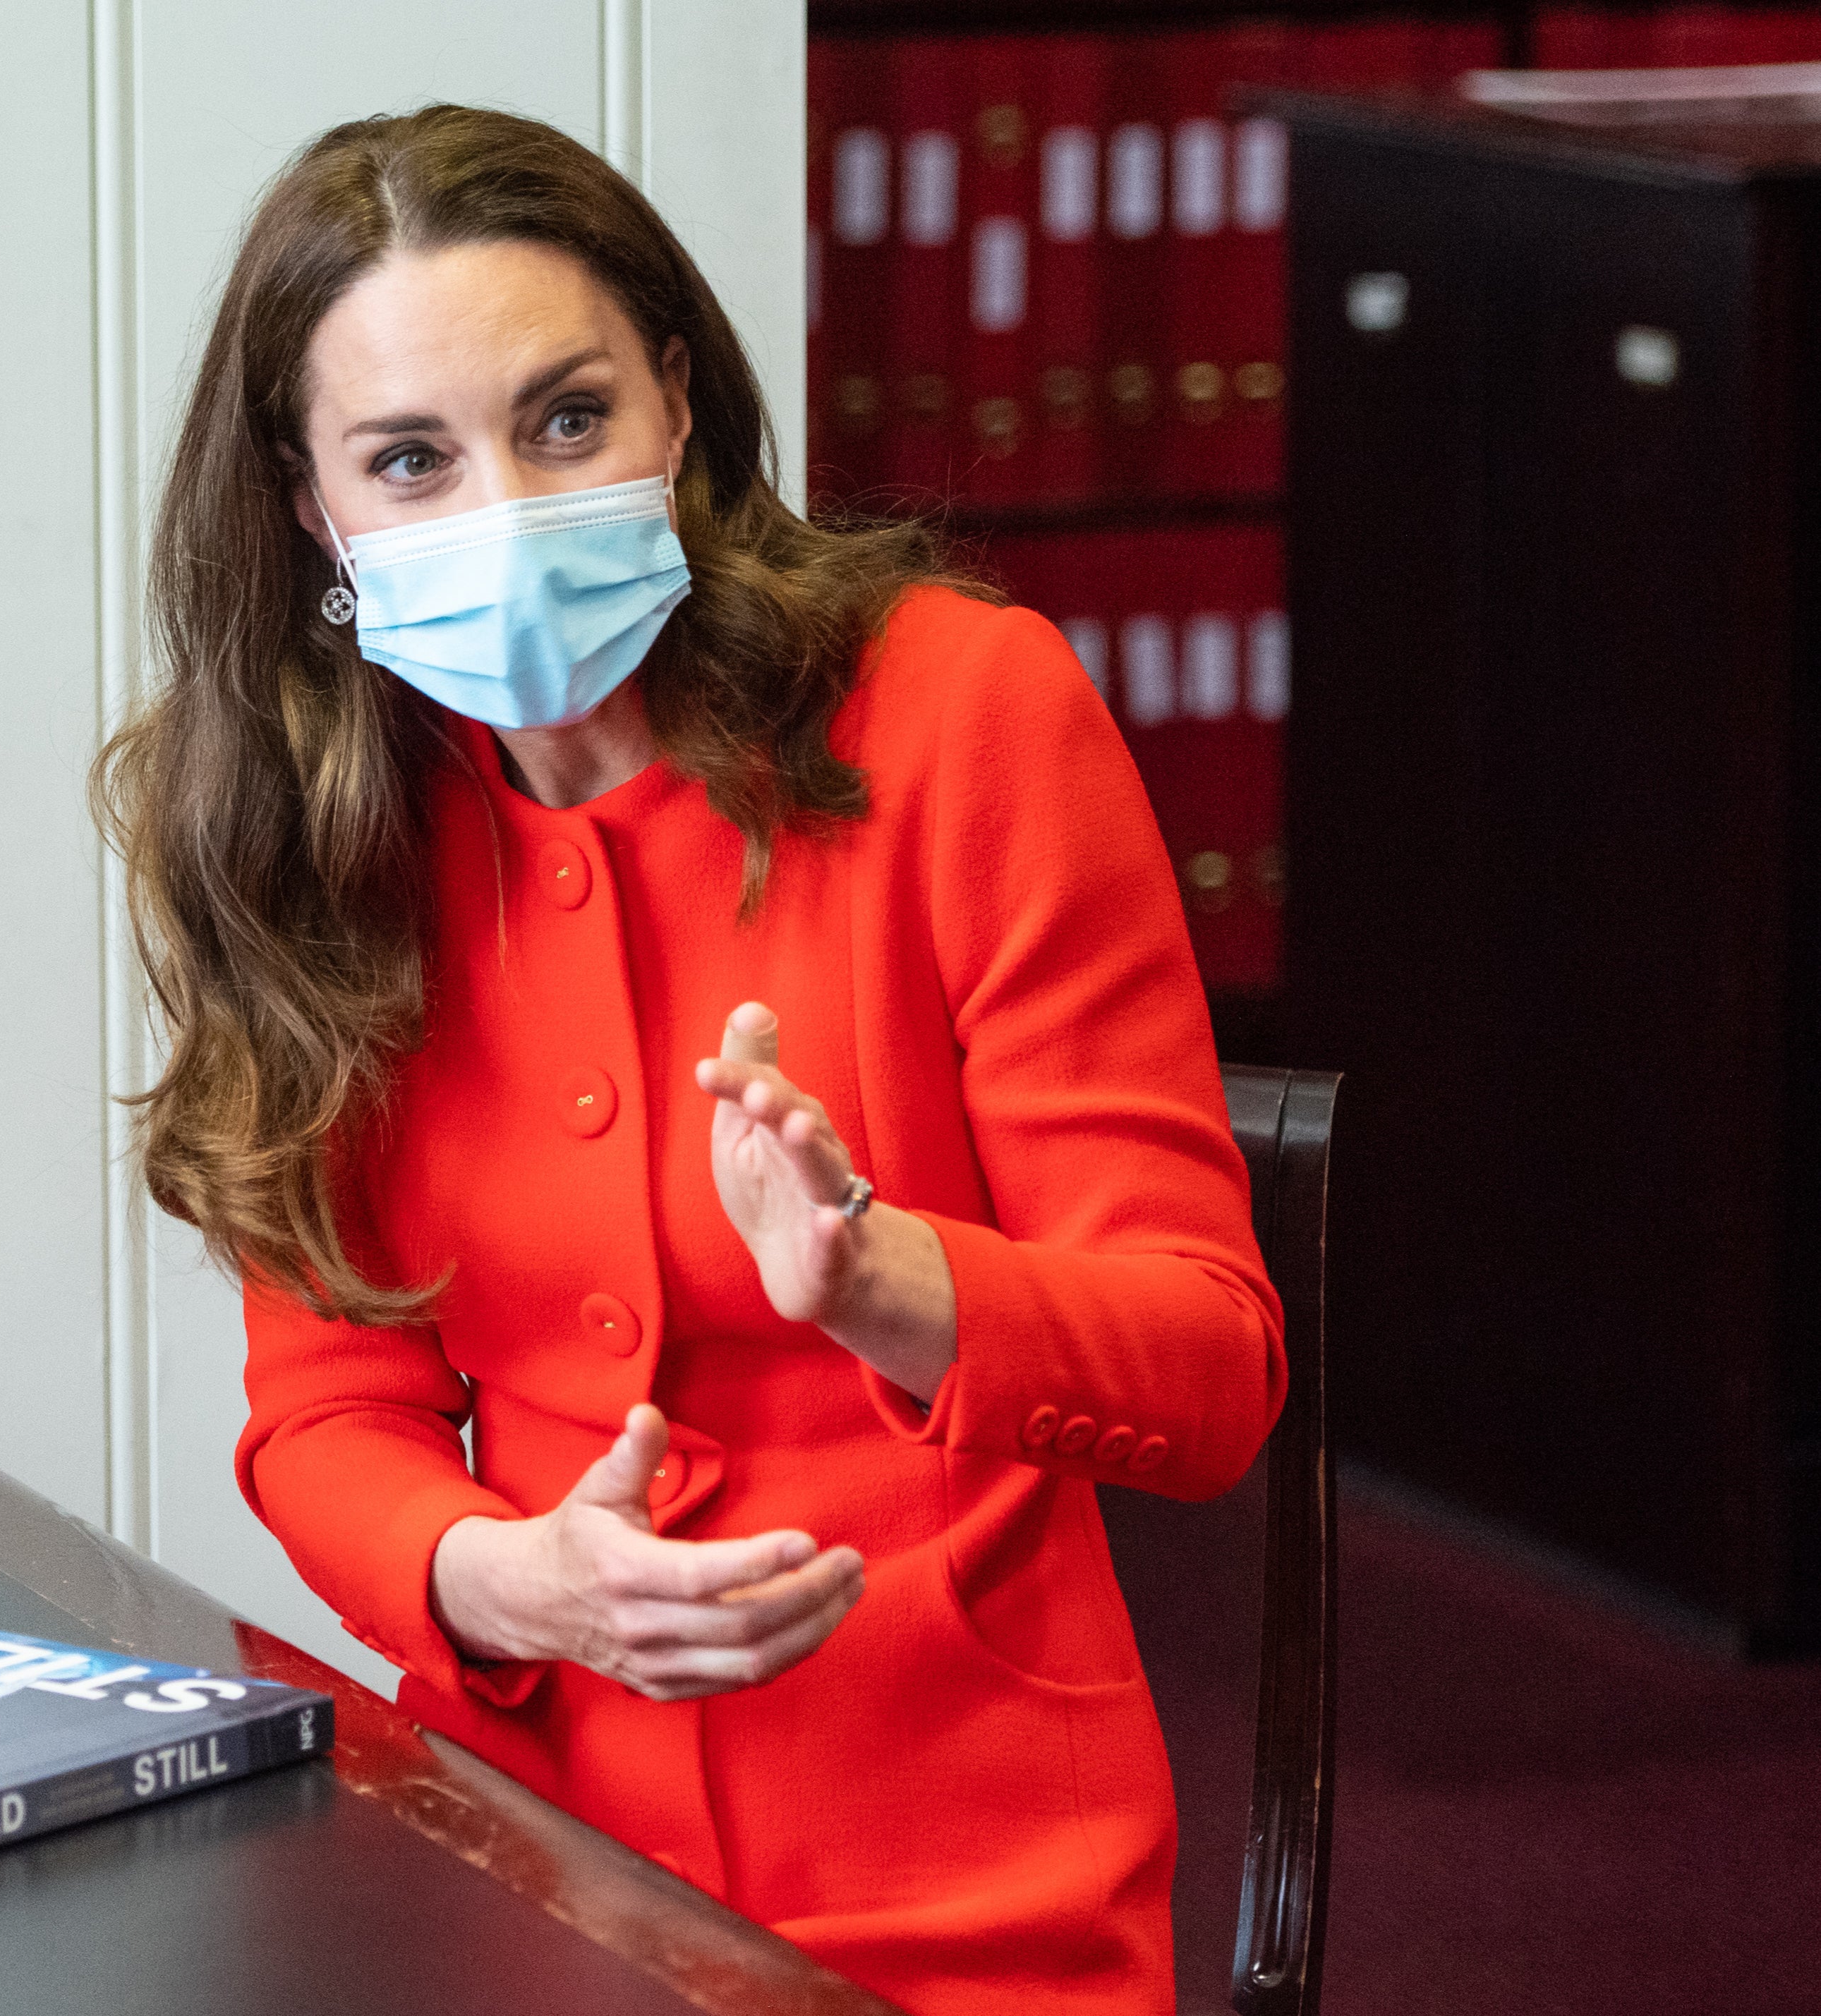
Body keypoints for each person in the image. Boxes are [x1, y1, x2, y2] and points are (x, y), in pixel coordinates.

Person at [95, 104, 1283, 2015]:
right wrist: (498, 1580)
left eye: (564, 420)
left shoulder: (967, 709)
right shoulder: (298, 829)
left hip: (959, 1875)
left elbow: (1213, 1373)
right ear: (312, 509)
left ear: (674, 399)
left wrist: (891, 1284)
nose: (502, 507)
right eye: (411, 459)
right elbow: (328, 1414)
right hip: (509, 1849)